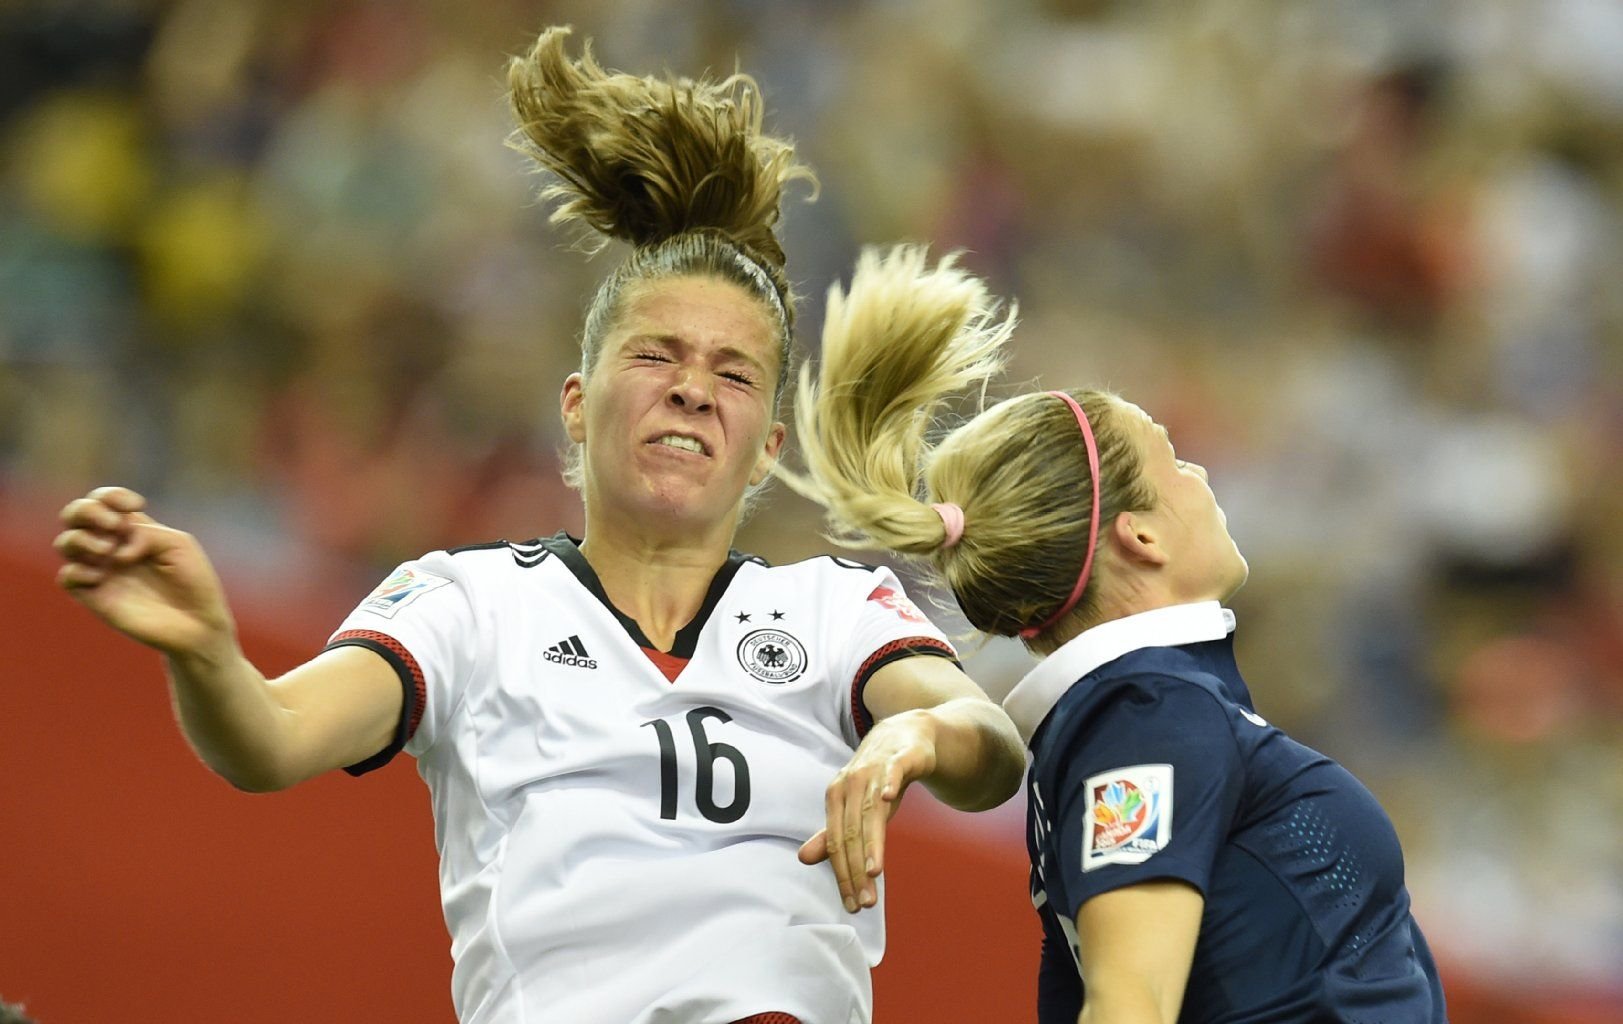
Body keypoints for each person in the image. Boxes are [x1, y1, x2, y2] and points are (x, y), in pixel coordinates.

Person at [51, 29, 1025, 1024]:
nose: (694, 389)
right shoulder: (470, 602)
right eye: (657, 355)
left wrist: (913, 736)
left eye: (734, 373)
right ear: (574, 402)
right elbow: (272, 737)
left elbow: (990, 747)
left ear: (767, 444)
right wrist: (207, 650)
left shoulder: (830, 608)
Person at [779, 245, 1449, 1023]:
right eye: (1174, 460)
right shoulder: (1146, 715)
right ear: (1139, 537)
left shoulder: (1140, 714)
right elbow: (1126, 1006)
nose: (1200, 477)